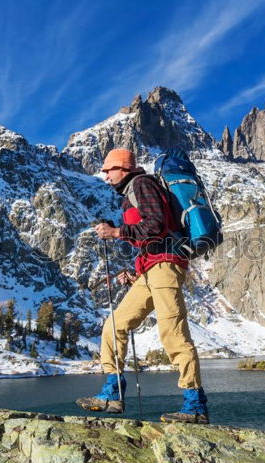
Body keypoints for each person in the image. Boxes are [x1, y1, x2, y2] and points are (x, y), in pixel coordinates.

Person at [76, 148, 209, 424]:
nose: (105, 175)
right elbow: (148, 236)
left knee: (173, 333)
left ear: (123, 169)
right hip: (150, 270)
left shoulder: (142, 184)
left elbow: (157, 224)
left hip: (166, 266)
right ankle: (113, 395)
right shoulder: (130, 195)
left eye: (109, 169)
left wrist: (116, 232)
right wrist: (135, 273)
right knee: (114, 326)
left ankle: (195, 405)